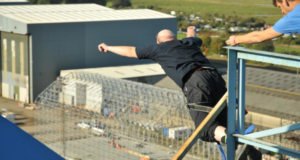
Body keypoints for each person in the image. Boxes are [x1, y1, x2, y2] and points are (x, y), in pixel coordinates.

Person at [98, 26, 261, 159]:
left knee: (205, 130)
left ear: (158, 41)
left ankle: (234, 141)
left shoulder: (157, 48)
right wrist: (191, 30)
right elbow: (193, 35)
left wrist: (108, 47)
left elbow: (130, 51)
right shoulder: (188, 43)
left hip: (196, 81)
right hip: (215, 77)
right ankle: (250, 150)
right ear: (174, 38)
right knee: (224, 121)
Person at [226, 0, 300, 46]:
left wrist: (235, 39)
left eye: (280, 6)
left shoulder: (292, 19)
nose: (282, 12)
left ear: (285, 1)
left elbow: (258, 37)